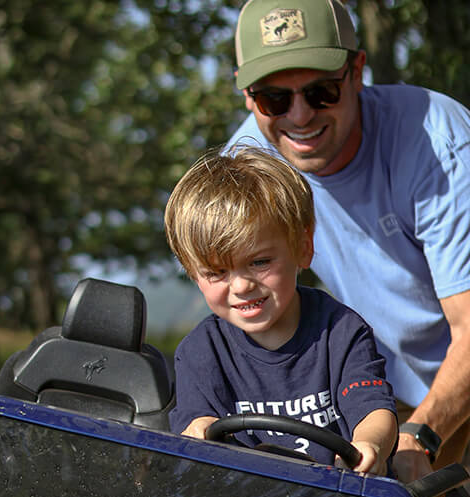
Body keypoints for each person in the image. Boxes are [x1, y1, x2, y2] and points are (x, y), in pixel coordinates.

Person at [228, 0, 470, 486]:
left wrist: (418, 435)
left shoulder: (438, 142)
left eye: (321, 92)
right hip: (389, 385)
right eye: (274, 99)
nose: (299, 116)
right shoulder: (249, 167)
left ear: (357, 71)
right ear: (249, 96)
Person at [164, 145, 397, 474]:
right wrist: (199, 430)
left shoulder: (342, 331)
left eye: (259, 262)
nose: (242, 286)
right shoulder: (200, 352)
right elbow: (197, 421)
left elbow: (373, 409)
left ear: (303, 249)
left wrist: (369, 444)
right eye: (217, 272)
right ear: (193, 273)